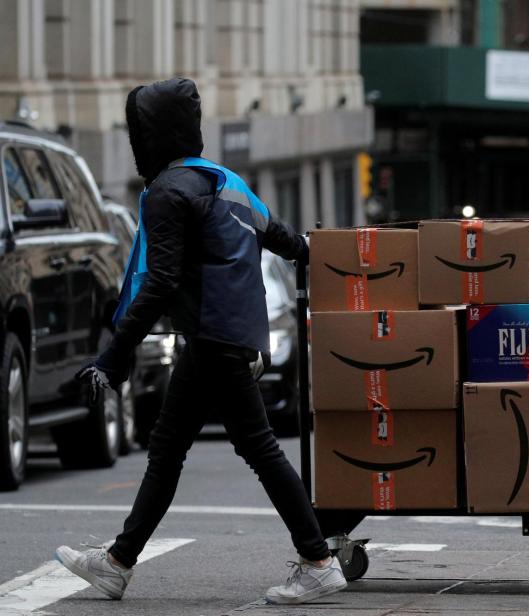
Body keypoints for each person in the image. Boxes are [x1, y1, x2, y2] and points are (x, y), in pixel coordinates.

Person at [54, 77, 347, 605]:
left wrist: (113, 357)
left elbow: (159, 282)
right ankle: (118, 562)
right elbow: (281, 237)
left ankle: (318, 560)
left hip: (213, 336)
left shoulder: (167, 193)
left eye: (137, 130)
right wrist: (318, 250)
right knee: (170, 450)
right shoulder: (225, 180)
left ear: (153, 135)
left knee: (253, 449)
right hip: (233, 335)